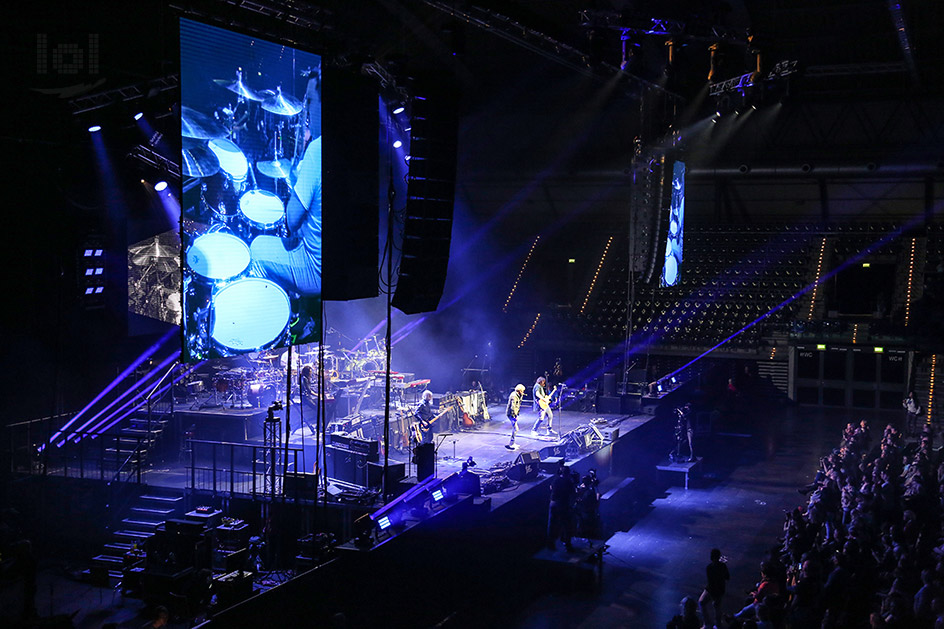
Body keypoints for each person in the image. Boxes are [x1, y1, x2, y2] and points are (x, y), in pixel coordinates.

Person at [250, 136, 322, 296]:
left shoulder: (317, 150)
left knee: (256, 249)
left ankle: (278, 313)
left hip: (316, 270)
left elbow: (292, 221)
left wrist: (296, 177)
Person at [547, 461, 575, 551]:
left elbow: (551, 487)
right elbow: (573, 493)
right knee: (567, 524)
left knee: (551, 524)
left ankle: (551, 544)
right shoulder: (569, 482)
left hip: (553, 503)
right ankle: (567, 543)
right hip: (562, 504)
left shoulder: (556, 480)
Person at [699, 548, 730, 628]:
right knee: (717, 607)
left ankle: (707, 623)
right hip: (720, 589)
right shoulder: (723, 566)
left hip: (712, 589)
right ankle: (718, 625)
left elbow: (711, 582)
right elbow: (727, 577)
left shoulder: (709, 567)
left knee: (702, 602)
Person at [506, 384, 525, 450]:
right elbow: (512, 407)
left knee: (515, 429)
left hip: (514, 414)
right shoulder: (514, 396)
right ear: (519, 390)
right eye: (522, 391)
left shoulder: (518, 395)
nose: (523, 392)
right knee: (515, 429)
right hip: (511, 414)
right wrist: (514, 416)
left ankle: (512, 443)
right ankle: (511, 444)